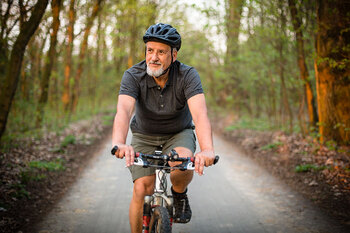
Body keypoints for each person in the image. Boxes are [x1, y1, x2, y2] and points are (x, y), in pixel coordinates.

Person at [111, 23, 215, 233]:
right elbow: (123, 110)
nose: (153, 57)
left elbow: (200, 114)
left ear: (173, 55)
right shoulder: (133, 75)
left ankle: (179, 193)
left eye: (161, 52)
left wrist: (206, 149)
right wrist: (120, 142)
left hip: (178, 133)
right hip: (144, 134)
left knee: (182, 163)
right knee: (142, 188)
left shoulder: (188, 75)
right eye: (150, 50)